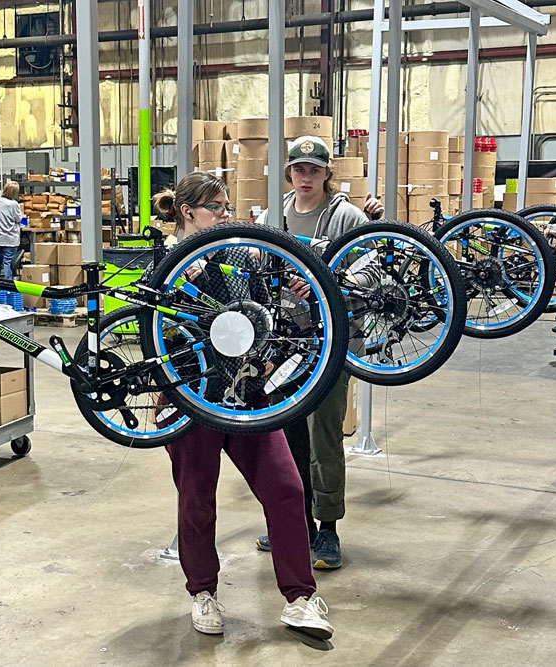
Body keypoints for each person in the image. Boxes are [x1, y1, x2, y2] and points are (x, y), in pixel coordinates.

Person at [151, 171, 334, 640]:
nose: (228, 216)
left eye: (229, 207)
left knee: (287, 489)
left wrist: (287, 286)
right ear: (189, 212)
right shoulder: (165, 261)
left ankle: (300, 598)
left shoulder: (238, 252)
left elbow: (263, 309)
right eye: (217, 208)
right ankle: (203, 594)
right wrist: (176, 289)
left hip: (249, 394)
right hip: (193, 397)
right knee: (197, 499)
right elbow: (150, 332)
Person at [253, 135, 383, 570]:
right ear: (289, 172)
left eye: (314, 169)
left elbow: (371, 270)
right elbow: (260, 264)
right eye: (298, 169)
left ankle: (328, 529)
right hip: (287, 341)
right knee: (286, 435)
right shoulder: (277, 215)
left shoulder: (345, 216)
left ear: (328, 173)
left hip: (332, 343)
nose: (305, 177)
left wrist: (323, 282)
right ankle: (296, 524)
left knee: (323, 432)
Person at [0, 181, 24, 280]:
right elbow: (19, 219)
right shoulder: (13, 204)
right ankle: (8, 287)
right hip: (10, 239)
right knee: (8, 263)